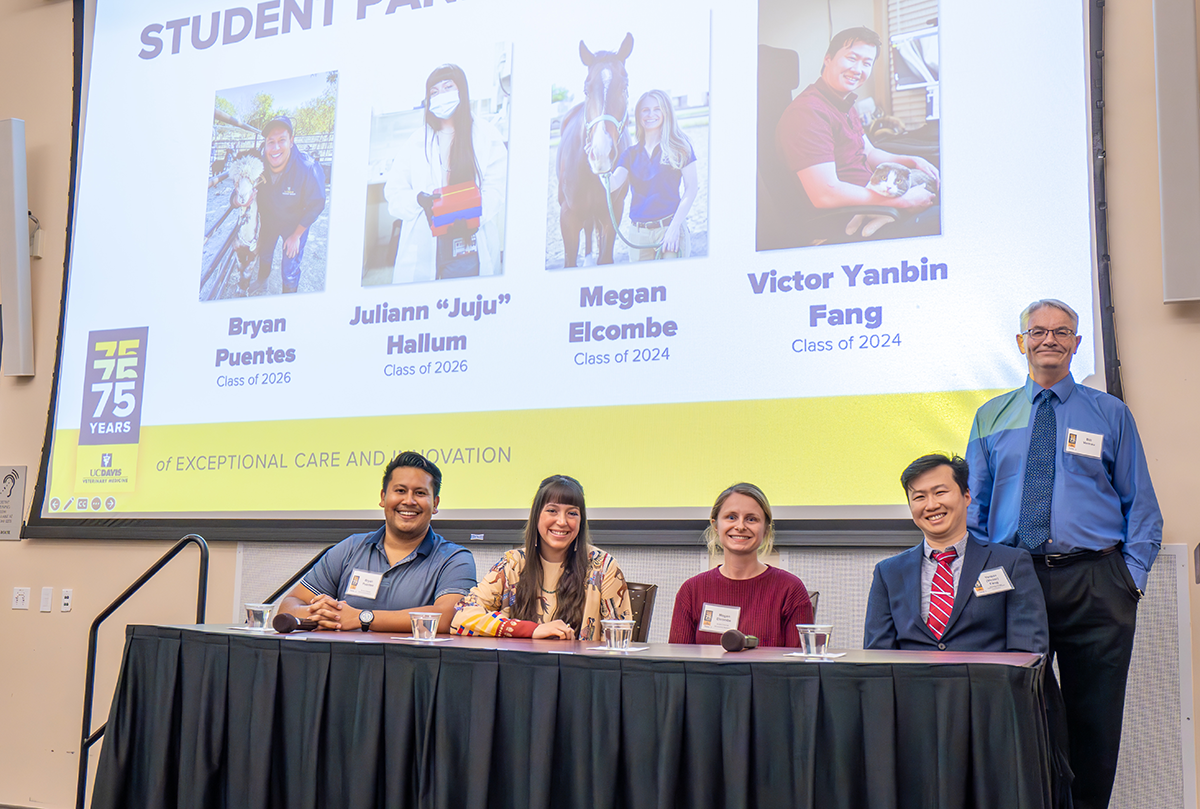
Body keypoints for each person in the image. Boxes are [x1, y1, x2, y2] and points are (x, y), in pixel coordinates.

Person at [967, 299, 1163, 809]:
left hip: (1096, 580)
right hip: (1012, 579)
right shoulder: (991, 416)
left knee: (1094, 721)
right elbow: (976, 508)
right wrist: (976, 578)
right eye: (1038, 331)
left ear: (1077, 343)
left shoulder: (1109, 413)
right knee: (1015, 710)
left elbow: (1140, 504)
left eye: (1062, 331)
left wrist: (1129, 580)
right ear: (1021, 342)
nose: (1049, 339)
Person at [864, 453, 1048, 653]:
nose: (931, 505)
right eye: (919, 497)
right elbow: (878, 657)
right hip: (913, 683)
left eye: (940, 492)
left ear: (966, 496)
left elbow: (1028, 651)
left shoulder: (1010, 563)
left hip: (987, 683)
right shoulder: (888, 573)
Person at [277, 451, 475, 632]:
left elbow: (451, 616)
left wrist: (362, 617)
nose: (409, 501)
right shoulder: (350, 548)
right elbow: (288, 606)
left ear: (435, 504)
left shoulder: (454, 559)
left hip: (414, 667)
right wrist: (327, 614)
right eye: (400, 490)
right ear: (383, 497)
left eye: (420, 493)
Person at [774, 27, 938, 238]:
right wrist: (902, 200)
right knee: (946, 220)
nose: (858, 69)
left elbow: (869, 153)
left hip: (874, 204)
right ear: (828, 59)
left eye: (867, 63)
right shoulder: (807, 113)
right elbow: (825, 194)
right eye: (852, 58)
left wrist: (912, 160)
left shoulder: (844, 103)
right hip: (846, 220)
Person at [451, 475, 631, 640]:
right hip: (520, 670)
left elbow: (621, 640)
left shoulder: (603, 567)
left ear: (581, 521)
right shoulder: (513, 563)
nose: (562, 521)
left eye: (572, 513)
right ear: (536, 516)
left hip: (581, 672)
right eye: (552, 511)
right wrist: (530, 630)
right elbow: (461, 617)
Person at [383, 64, 508, 284]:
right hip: (425, 241)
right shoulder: (416, 141)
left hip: (469, 244)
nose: (441, 95)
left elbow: (496, 191)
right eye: (434, 92)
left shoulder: (487, 137)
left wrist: (473, 216)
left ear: (462, 90)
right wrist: (418, 200)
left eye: (448, 87)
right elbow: (393, 191)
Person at [669, 483, 813, 647]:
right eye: (731, 517)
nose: (740, 526)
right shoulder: (691, 591)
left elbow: (799, 668)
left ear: (766, 529)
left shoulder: (790, 590)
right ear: (716, 526)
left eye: (751, 519)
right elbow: (677, 666)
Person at [608, 89, 698, 261]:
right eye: (645, 110)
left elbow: (691, 189)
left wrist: (674, 228)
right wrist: (599, 165)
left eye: (657, 109)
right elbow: (612, 185)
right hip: (638, 235)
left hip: (669, 230)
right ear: (638, 115)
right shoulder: (629, 154)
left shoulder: (680, 147)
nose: (651, 114)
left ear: (666, 112)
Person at [247, 115, 327, 294]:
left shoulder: (308, 168)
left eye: (281, 140)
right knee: (265, 254)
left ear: (291, 141)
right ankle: (262, 281)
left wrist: (297, 235)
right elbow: (240, 185)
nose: (275, 148)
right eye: (270, 142)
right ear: (265, 144)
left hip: (294, 223)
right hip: (269, 221)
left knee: (289, 268)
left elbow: (317, 204)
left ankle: (288, 299)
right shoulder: (259, 164)